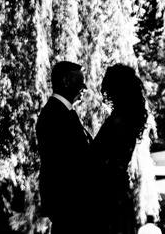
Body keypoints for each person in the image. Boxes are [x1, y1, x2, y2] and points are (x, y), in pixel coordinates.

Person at [90, 64, 149, 234]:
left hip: (108, 193)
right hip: (119, 190)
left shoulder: (117, 122)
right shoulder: (129, 118)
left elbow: (98, 157)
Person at [36, 60, 92, 234]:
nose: (85, 87)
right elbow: (68, 160)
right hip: (68, 202)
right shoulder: (55, 115)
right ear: (66, 81)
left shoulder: (63, 112)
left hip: (69, 202)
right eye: (80, 81)